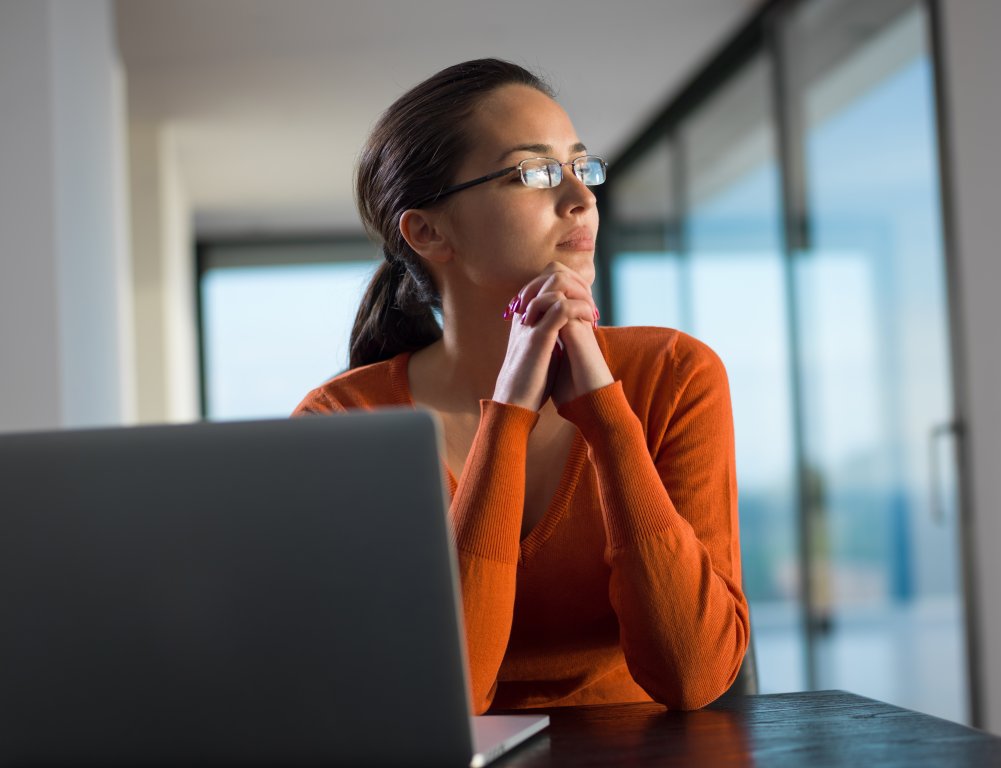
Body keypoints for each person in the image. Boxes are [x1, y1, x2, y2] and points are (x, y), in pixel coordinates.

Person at [293, 58, 749, 714]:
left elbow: (694, 675)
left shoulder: (676, 375)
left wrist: (605, 414)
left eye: (580, 166)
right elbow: (447, 699)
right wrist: (507, 412)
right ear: (428, 231)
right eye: (534, 173)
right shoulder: (343, 422)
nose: (581, 198)